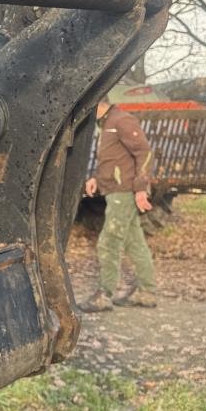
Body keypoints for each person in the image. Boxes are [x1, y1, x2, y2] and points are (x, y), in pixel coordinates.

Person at [80, 87, 158, 312]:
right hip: (115, 190)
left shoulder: (121, 120)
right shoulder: (106, 123)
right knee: (135, 242)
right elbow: (114, 158)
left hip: (123, 192)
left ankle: (105, 295)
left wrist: (141, 188)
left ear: (98, 103)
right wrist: (96, 178)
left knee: (108, 242)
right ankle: (147, 292)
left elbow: (144, 153)